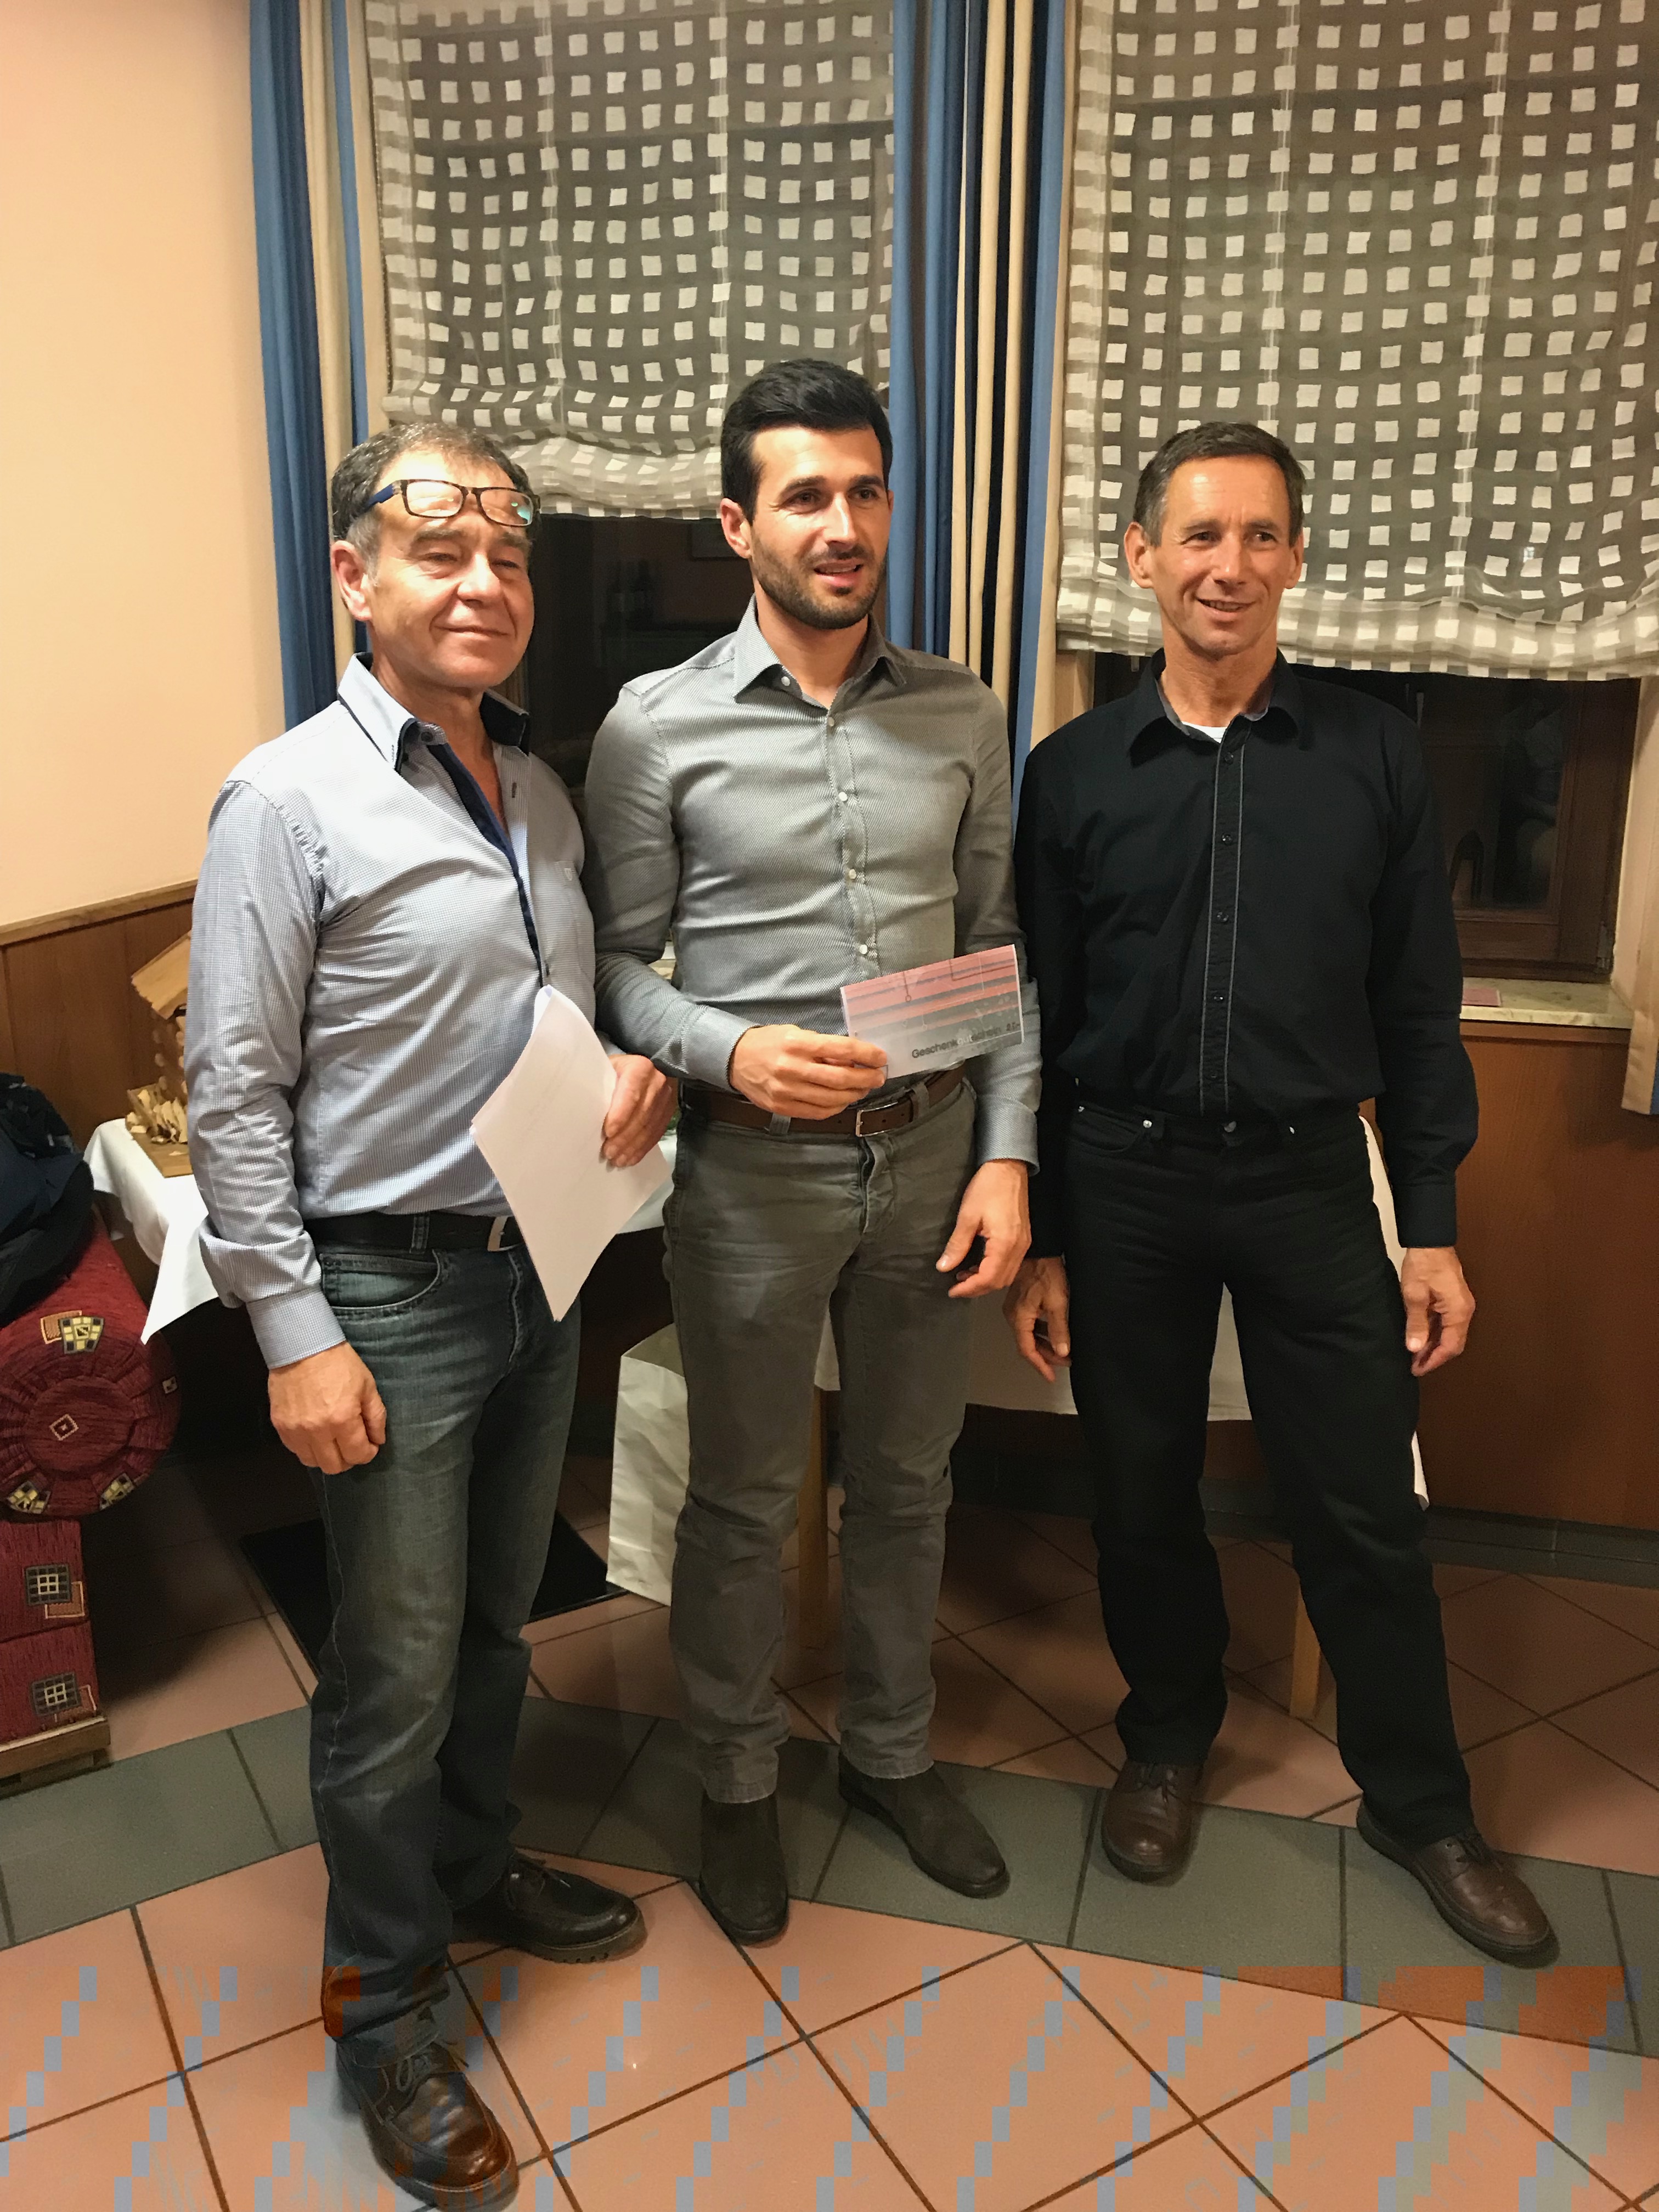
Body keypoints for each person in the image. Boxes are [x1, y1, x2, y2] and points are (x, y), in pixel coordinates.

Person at [187, 424, 675, 2207]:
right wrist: (294, 1335)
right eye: (437, 550)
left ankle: (475, 1866)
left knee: (492, 1628)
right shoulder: (287, 800)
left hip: (537, 1266)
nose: (483, 583)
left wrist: (632, 1074)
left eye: (509, 557)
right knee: (389, 1677)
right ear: (355, 578)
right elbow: (233, 1094)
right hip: (382, 1297)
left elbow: (551, 1017)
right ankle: (383, 2008)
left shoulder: (534, 788)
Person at [1005, 421, 1553, 1964]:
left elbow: (1419, 1005)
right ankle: (1166, 1737)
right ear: (1141, 556)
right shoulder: (1071, 775)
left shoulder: (1375, 756)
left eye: (1260, 535)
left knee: (1364, 1506)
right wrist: (1047, 1230)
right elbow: (1036, 1013)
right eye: (1199, 534)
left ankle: (1421, 1804)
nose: (1228, 565)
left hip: (1315, 1178)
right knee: (1140, 1489)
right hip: (1123, 1178)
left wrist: (1429, 1225)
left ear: (1297, 557)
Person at [582, 359, 1040, 1942]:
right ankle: (734, 1782)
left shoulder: (964, 710)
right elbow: (614, 967)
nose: (841, 525)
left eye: (864, 491)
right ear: (739, 525)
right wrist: (729, 1050)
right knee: (743, 1497)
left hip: (932, 1160)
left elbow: (998, 947)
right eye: (804, 496)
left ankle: (894, 1756)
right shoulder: (654, 727)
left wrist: (1008, 1156)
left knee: (909, 1484)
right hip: (751, 1181)